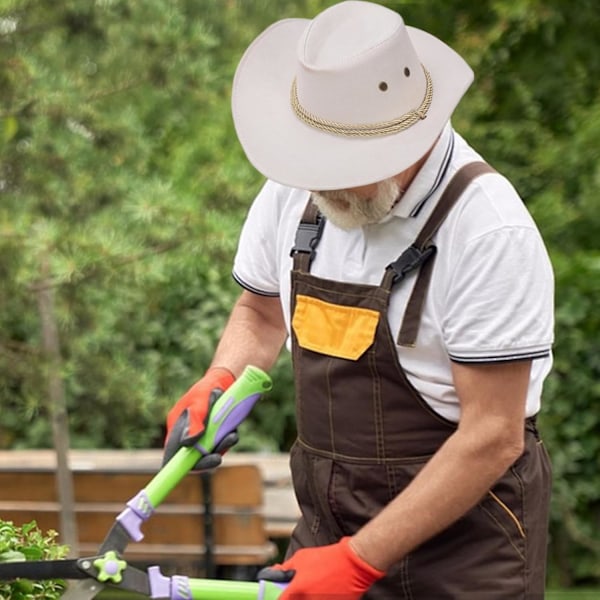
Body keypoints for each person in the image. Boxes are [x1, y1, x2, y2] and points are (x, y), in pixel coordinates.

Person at [164, 1, 554, 598]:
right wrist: (220, 377)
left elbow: (494, 433)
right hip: (326, 535)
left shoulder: (487, 228)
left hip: (465, 556)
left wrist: (359, 561)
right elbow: (261, 311)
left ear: (408, 141)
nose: (321, 184)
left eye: (343, 164)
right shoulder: (299, 186)